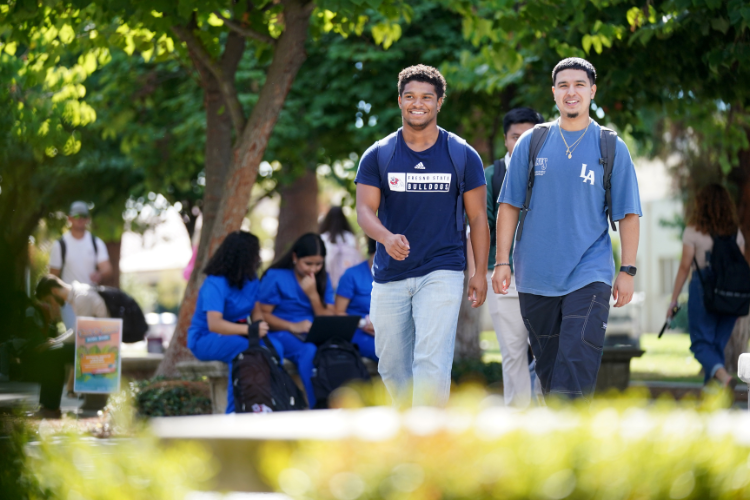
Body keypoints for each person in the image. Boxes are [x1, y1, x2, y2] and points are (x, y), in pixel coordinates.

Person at [492, 57, 642, 400]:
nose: (570, 92)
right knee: (548, 371)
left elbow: (628, 214)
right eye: (563, 85)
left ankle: (573, 446)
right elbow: (509, 205)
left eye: (578, 85)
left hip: (589, 273)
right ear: (554, 93)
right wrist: (502, 261)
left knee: (577, 361)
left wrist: (628, 270)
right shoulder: (532, 142)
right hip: (535, 277)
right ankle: (557, 440)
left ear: (592, 91)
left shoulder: (611, 146)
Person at [355, 64, 489, 407]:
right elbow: (365, 211)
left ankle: (428, 436)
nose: (419, 103)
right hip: (390, 274)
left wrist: (479, 272)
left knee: (431, 359)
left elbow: (477, 216)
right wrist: (385, 237)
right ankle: (405, 429)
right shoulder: (379, 154)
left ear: (439, 102)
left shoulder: (462, 155)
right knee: (392, 363)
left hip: (442, 268)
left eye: (427, 97)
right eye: (411, 97)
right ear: (400, 101)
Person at [484, 107, 544, 408]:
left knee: (547, 349)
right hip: (501, 275)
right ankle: (517, 417)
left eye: (529, 137)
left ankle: (550, 415)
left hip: (547, 275)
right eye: (515, 137)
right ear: (505, 140)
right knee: (513, 351)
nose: (521, 143)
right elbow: (480, 228)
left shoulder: (552, 171)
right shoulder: (492, 176)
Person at [667, 184, 745, 388]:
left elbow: (685, 267)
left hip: (703, 289)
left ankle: (724, 377)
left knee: (701, 344)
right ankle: (713, 395)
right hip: (731, 293)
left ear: (701, 205)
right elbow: (741, 267)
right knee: (717, 344)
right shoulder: (735, 233)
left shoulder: (694, 231)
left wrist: (673, 300)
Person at [187, 231, 269, 413]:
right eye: (255, 253)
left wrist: (261, 330)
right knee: (243, 350)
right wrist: (250, 331)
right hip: (205, 338)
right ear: (243, 255)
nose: (258, 257)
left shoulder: (252, 279)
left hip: (237, 334)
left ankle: (266, 404)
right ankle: (235, 412)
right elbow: (214, 324)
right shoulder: (215, 283)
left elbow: (257, 312)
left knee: (274, 348)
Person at [258, 233, 335, 409]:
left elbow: (327, 317)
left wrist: (313, 295)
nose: (313, 269)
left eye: (318, 264)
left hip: (313, 331)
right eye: (308, 263)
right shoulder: (276, 276)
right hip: (281, 331)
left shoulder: (323, 278)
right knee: (308, 351)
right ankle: (317, 407)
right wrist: (293, 326)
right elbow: (263, 314)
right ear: (294, 257)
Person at [334, 237, 378, 361]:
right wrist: (363, 324)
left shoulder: (395, 275)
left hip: (387, 330)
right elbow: (338, 312)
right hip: (359, 330)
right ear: (371, 252)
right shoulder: (352, 274)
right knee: (387, 354)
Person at [49, 201, 112, 286]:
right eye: (76, 215)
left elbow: (107, 269)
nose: (80, 219)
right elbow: (53, 277)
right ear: (69, 218)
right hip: (69, 298)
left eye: (83, 216)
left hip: (91, 297)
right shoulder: (60, 245)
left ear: (88, 219)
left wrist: (100, 274)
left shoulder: (96, 243)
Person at [319, 206, 363, 288]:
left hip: (327, 281)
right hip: (349, 281)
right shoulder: (351, 237)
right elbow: (360, 258)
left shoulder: (323, 238)